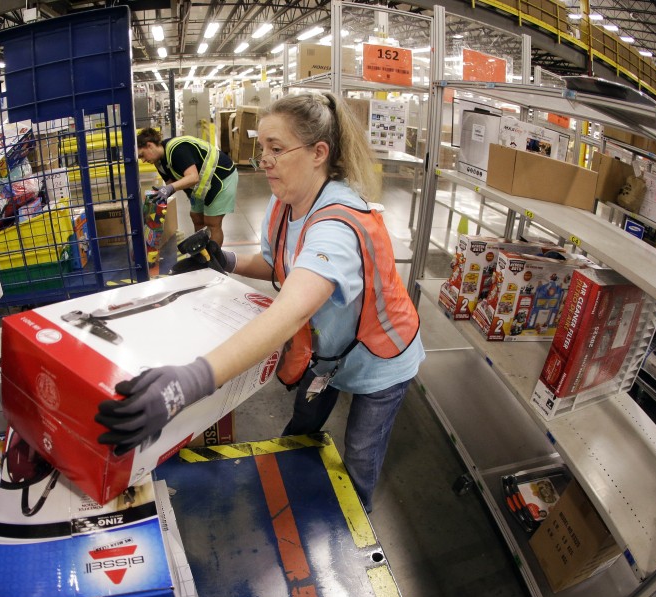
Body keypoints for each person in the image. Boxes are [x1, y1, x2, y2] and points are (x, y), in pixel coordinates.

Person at [99, 93, 425, 512]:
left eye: (276, 149)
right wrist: (225, 260)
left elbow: (293, 308)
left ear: (317, 153)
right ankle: (291, 487)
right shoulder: (284, 201)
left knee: (361, 450)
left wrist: (193, 380)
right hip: (328, 356)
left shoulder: (340, 225)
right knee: (302, 424)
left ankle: (356, 521)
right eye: (262, 148)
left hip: (380, 357)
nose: (263, 160)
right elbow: (277, 266)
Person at [136, 128, 238, 247]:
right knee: (196, 217)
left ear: (150, 145)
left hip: (221, 177)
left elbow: (193, 177)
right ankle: (201, 250)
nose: (143, 160)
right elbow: (171, 183)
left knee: (212, 222)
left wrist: (168, 188)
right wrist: (158, 195)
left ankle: (214, 258)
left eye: (142, 155)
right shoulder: (159, 163)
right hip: (202, 184)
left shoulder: (177, 150)